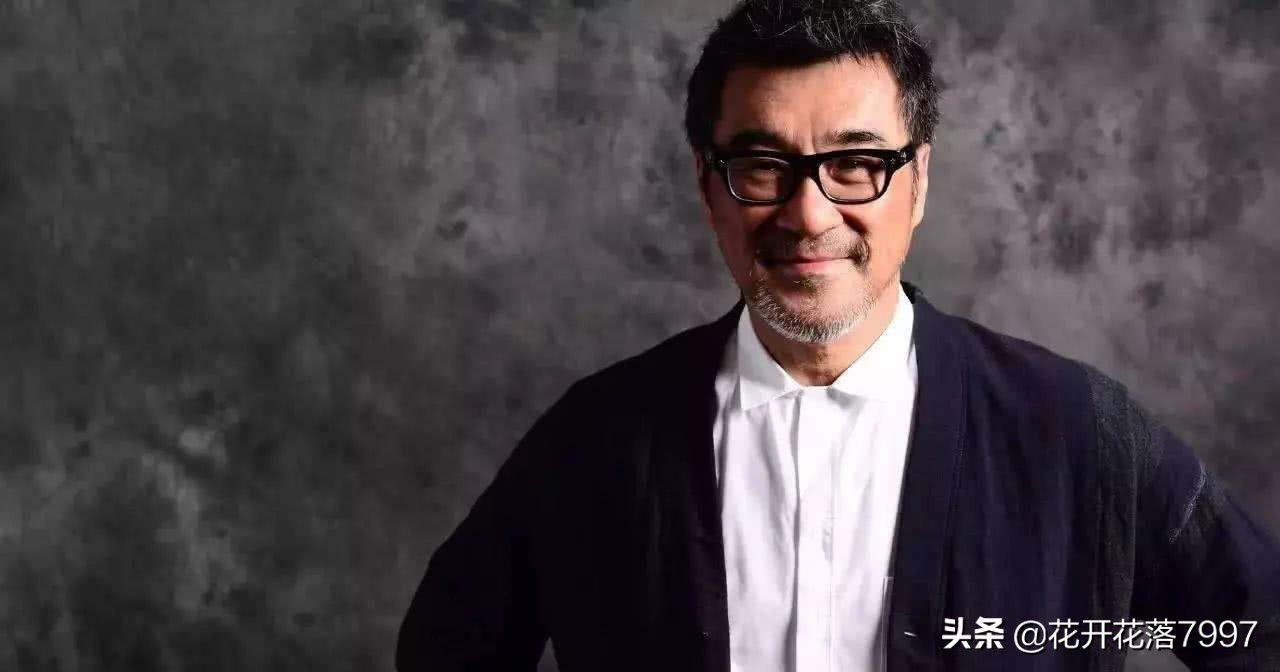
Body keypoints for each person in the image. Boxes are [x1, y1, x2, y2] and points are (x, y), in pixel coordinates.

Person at [396, 1, 1280, 670]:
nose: (809, 214)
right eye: (762, 166)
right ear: (708, 186)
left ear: (918, 181)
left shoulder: (1078, 431)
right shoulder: (593, 441)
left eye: (857, 164)